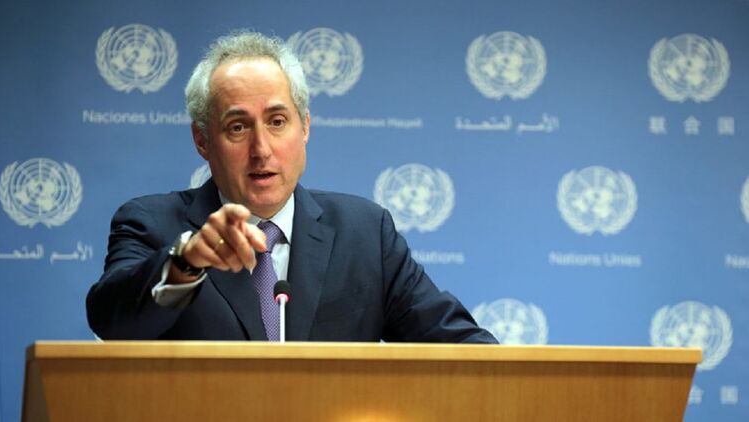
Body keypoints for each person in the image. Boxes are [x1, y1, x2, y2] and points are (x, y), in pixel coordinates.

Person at [86, 31, 497, 343]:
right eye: (237, 127)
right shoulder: (152, 223)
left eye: (277, 122)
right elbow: (111, 322)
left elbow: (461, 348)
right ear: (202, 140)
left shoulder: (365, 234)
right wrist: (186, 264)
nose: (261, 149)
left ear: (305, 128)